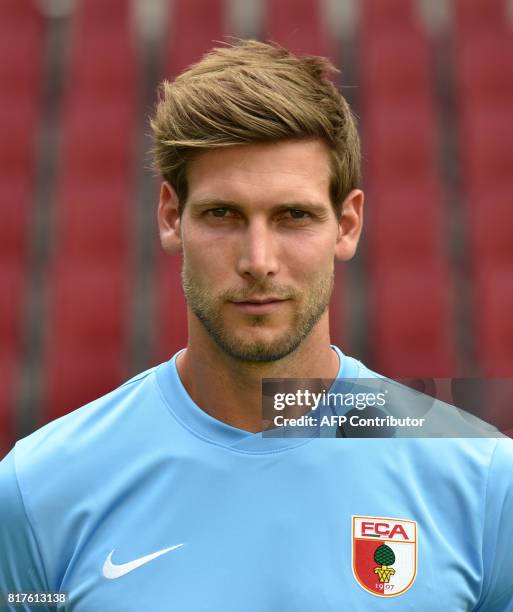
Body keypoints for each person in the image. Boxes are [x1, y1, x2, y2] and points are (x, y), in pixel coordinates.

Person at [1, 39, 512, 611]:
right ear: (172, 217)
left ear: (347, 225)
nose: (258, 259)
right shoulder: (39, 488)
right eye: (223, 215)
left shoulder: (482, 481)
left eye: (294, 216)